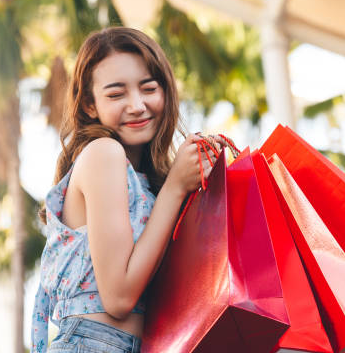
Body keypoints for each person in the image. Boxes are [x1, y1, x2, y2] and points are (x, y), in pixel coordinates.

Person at [30, 27, 225, 353]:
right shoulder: (103, 154)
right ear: (90, 105)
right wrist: (176, 187)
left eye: (148, 88)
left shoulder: (145, 181)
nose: (137, 105)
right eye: (116, 94)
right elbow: (119, 297)